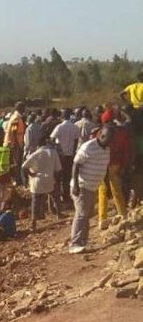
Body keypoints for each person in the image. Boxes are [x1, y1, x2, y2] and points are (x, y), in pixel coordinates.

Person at [69, 125, 113, 254]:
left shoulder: (107, 149)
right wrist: (76, 184)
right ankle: (75, 244)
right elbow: (76, 164)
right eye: (108, 138)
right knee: (82, 214)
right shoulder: (88, 146)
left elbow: (104, 168)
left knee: (86, 214)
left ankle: (82, 241)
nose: (110, 141)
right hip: (82, 186)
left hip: (93, 187)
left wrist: (106, 185)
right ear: (101, 135)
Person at [21, 132, 63, 232]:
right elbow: (58, 169)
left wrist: (31, 175)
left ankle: (33, 223)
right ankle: (59, 214)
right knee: (55, 197)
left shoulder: (35, 154)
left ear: (38, 145)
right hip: (49, 179)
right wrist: (55, 180)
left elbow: (24, 167)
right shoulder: (53, 152)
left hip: (37, 181)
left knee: (35, 202)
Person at [97, 109, 130, 228]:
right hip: (116, 164)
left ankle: (102, 219)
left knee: (103, 190)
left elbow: (97, 150)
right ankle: (123, 214)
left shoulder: (101, 132)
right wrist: (124, 165)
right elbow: (125, 151)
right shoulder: (122, 132)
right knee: (117, 189)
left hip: (103, 165)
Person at [50, 109, 80, 204]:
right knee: (67, 176)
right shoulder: (74, 127)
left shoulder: (59, 127)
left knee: (59, 177)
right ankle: (66, 196)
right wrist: (74, 150)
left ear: (62, 117)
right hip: (70, 155)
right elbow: (76, 140)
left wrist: (58, 147)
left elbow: (52, 138)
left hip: (60, 155)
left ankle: (59, 198)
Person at [4, 102, 27, 185]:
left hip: (13, 143)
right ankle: (14, 180)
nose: (24, 110)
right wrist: (16, 144)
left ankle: (15, 179)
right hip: (13, 144)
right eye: (23, 108)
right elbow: (14, 131)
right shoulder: (16, 118)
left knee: (15, 163)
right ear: (19, 108)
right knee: (15, 163)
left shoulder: (16, 117)